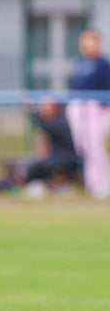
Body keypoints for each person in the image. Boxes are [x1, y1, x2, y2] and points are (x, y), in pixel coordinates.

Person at [0, 99, 81, 194]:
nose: (43, 111)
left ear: (56, 108)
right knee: (29, 163)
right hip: (53, 159)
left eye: (46, 108)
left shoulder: (60, 122)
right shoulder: (54, 122)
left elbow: (44, 123)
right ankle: (5, 183)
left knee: (35, 167)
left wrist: (32, 111)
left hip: (65, 160)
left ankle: (11, 182)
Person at [65, 29, 110, 199]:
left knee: (96, 146)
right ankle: (91, 182)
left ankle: (104, 182)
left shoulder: (103, 64)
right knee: (86, 148)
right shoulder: (80, 62)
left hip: (98, 109)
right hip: (80, 108)